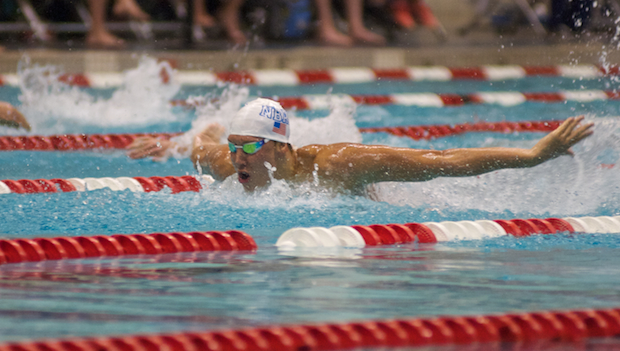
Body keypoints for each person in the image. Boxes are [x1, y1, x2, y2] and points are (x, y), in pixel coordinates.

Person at [128, 98, 593, 195]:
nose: (235, 159)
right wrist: (167, 144)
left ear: (277, 146)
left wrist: (533, 155)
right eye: (234, 148)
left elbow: (441, 162)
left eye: (246, 148)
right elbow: (204, 144)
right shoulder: (228, 165)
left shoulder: (340, 164)